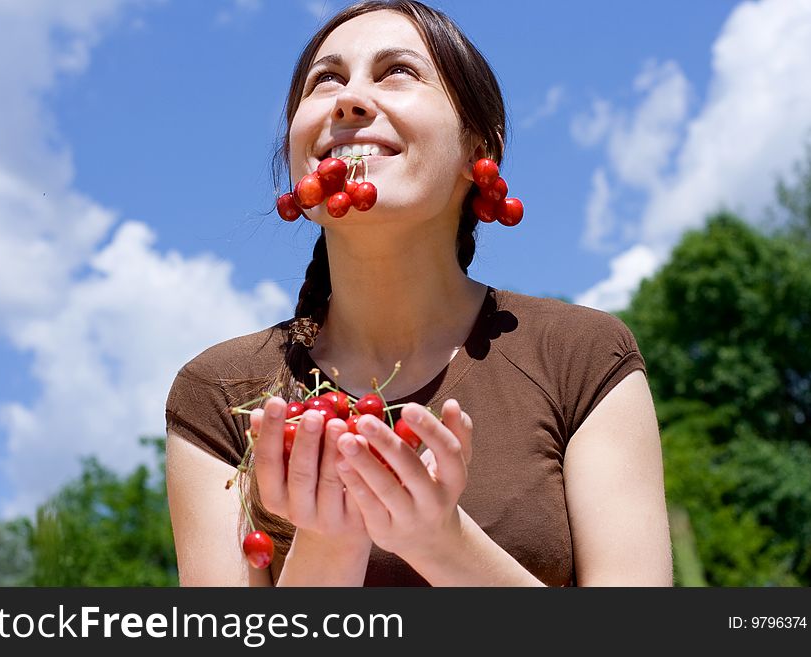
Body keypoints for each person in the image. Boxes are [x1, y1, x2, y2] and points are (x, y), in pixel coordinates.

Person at [165, 0, 672, 587]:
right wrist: (331, 543)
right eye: (325, 80)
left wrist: (441, 543)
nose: (349, 98)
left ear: (479, 151)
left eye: (396, 73)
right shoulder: (223, 395)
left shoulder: (581, 356)